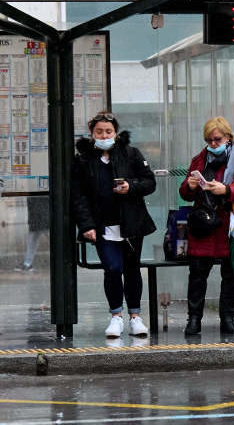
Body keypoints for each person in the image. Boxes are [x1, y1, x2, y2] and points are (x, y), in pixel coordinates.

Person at [70, 111, 156, 338]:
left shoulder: (131, 154)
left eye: (108, 131)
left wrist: (131, 186)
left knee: (132, 268)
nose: (104, 135)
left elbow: (149, 182)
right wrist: (86, 225)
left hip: (131, 224)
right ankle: (116, 316)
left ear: (115, 133)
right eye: (99, 131)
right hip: (102, 226)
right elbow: (78, 196)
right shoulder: (84, 160)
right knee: (113, 268)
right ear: (92, 133)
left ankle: (136, 317)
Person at [178, 117, 234, 336]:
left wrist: (227, 190)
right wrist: (190, 185)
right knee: (197, 275)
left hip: (233, 222)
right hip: (204, 223)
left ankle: (228, 318)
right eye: (209, 140)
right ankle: (194, 319)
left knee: (231, 274)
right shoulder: (199, 159)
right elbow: (184, 192)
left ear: (228, 137)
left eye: (217, 139)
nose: (213, 144)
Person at [16, 195, 49, 272]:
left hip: (43, 218)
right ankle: (27, 263)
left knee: (33, 241)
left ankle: (27, 263)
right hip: (37, 218)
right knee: (32, 241)